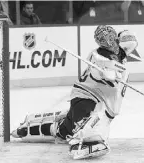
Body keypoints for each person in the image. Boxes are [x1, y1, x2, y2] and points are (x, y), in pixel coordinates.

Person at [11, 25, 138, 159]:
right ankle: (81, 141)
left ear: (116, 37)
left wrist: (115, 72)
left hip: (94, 101)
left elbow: (130, 41)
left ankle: (26, 129)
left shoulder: (121, 53)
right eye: (103, 39)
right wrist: (107, 74)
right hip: (87, 99)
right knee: (94, 127)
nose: (108, 41)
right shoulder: (98, 56)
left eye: (111, 37)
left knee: (63, 130)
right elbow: (97, 69)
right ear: (99, 42)